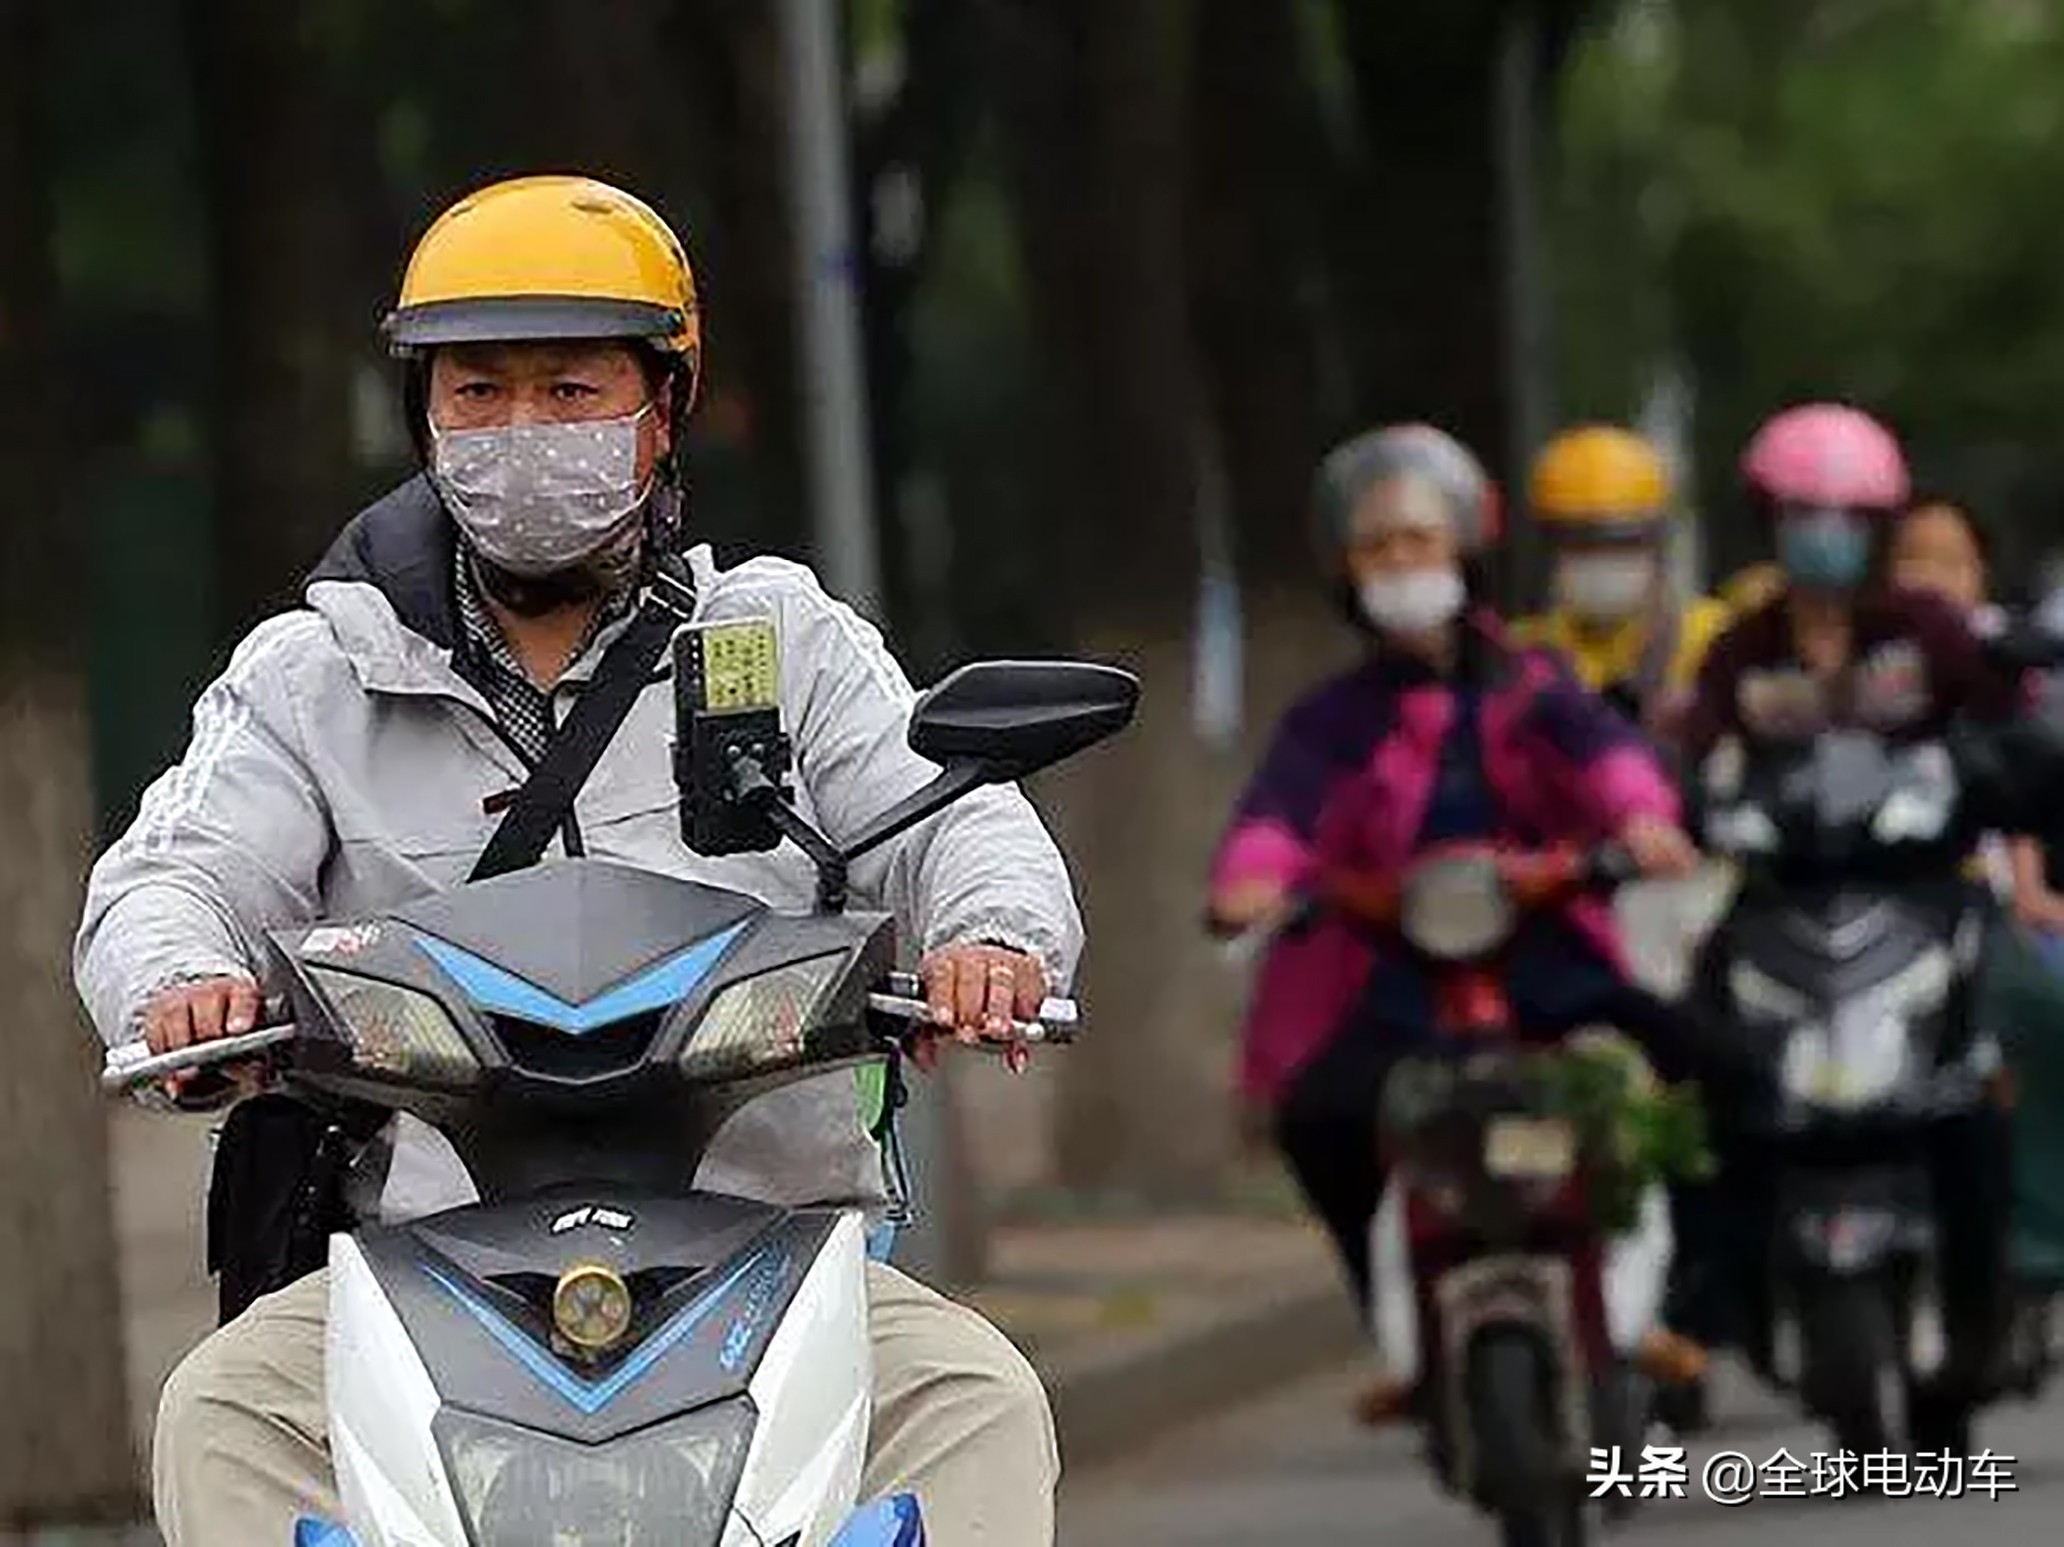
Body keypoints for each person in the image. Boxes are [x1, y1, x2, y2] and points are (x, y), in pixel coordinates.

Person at [74, 176, 1077, 1547]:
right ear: (426, 415)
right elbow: (169, 876)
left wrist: (993, 941)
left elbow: (957, 816)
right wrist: (181, 982)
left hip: (767, 1244)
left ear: (661, 408)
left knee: (978, 1398)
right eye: (478, 391)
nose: (521, 432)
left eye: (569, 388)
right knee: (223, 1408)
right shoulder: (311, 673)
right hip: (432, 1258)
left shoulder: (779, 637)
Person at [1205, 423, 1727, 1424]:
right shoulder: (1330, 717)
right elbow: (1276, 815)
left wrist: (1644, 817)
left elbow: (1608, 756)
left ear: (1466, 550)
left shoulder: (1532, 685)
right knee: (1320, 1116)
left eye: (1420, 541)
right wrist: (1254, 881)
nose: (1402, 565)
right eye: (1378, 548)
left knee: (1692, 1069)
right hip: (1397, 976)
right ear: (1346, 572)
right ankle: (1403, 1323)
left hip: (1549, 957)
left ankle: (1661, 1305)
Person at [1677, 403, 2023, 1423]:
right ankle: (1702, 1303)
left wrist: (2000, 770)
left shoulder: (1926, 632)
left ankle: (2009, 1273)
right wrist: (1668, 805)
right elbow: (1690, 755)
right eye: (1798, 514)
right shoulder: (1740, 648)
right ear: (1766, 524)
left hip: (1922, 897)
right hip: (1780, 900)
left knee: (1996, 1059)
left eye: (1842, 515)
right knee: (1695, 1063)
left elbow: (2002, 717)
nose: (1820, 533)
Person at [1511, 425, 1732, 734]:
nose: (1601, 561)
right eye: (1581, 545)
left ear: (1655, 545)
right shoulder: (1520, 653)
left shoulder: (1713, 637)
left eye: (1621, 544)